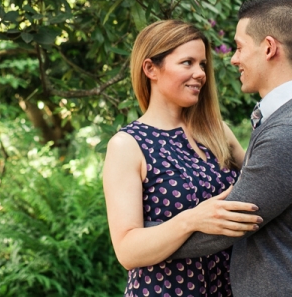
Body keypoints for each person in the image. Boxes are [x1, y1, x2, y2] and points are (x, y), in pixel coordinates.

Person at [158, 0, 292, 296]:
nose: (233, 58)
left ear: (269, 48)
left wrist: (145, 241)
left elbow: (229, 223)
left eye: (239, 47)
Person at [103, 20, 263, 297]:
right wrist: (191, 220)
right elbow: (127, 250)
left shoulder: (216, 131)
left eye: (202, 64)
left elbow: (262, 182)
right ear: (150, 68)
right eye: (187, 62)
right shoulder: (127, 145)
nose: (200, 73)